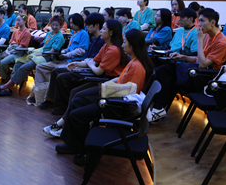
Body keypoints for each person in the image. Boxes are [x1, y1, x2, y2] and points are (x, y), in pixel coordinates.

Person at [51, 28, 153, 166]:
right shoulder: (134, 61)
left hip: (117, 106)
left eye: (125, 42)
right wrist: (107, 85)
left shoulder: (137, 66)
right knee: (77, 102)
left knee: (77, 115)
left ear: (133, 45)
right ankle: (72, 144)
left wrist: (105, 91)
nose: (122, 45)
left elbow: (130, 93)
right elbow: (122, 80)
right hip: (114, 98)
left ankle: (83, 150)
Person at [44, 19, 126, 135]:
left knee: (76, 93)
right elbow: (92, 61)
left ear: (111, 32)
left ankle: (62, 125)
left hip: (110, 83)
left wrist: (90, 64)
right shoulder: (106, 46)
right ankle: (63, 124)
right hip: (103, 79)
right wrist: (76, 64)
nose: (101, 31)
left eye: (103, 29)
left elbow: (98, 71)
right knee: (73, 90)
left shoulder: (113, 50)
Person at [149, 8, 226, 121]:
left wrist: (199, 40)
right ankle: (157, 108)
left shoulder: (221, 42)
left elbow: (202, 64)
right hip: (196, 70)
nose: (199, 24)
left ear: (212, 23)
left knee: (166, 72)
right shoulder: (207, 35)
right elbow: (198, 59)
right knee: (163, 70)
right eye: (199, 20)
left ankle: (157, 108)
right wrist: (183, 57)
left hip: (206, 77)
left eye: (202, 21)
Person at [49, 13, 106, 115]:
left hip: (88, 70)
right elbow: (90, 59)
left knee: (61, 76)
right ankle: (53, 102)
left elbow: (93, 61)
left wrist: (77, 63)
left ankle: (62, 107)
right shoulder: (94, 39)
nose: (87, 27)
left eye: (89, 25)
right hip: (84, 65)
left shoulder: (101, 42)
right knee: (56, 72)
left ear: (97, 25)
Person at [0, 16, 66, 96]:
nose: (54, 27)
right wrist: (34, 51)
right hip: (40, 53)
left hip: (47, 57)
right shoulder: (49, 33)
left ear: (61, 26)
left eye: (57, 25)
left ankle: (7, 85)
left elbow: (51, 52)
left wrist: (36, 54)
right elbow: (44, 47)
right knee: (18, 63)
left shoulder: (60, 37)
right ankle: (9, 89)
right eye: (53, 25)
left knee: (25, 67)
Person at [33, 13, 90, 108]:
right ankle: (40, 94)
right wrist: (63, 52)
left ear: (78, 23)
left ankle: (49, 98)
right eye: (70, 23)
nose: (70, 25)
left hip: (73, 62)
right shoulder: (74, 33)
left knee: (55, 71)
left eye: (72, 23)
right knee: (40, 67)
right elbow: (69, 48)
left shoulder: (84, 34)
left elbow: (81, 51)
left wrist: (66, 55)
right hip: (65, 60)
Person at [0, 14, 32, 84]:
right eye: (17, 20)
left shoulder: (27, 32)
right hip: (10, 49)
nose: (17, 22)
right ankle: (6, 76)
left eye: (19, 20)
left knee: (3, 62)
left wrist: (9, 53)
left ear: (25, 21)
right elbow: (10, 43)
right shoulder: (15, 31)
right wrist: (6, 51)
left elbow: (22, 46)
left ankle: (5, 79)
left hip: (18, 52)